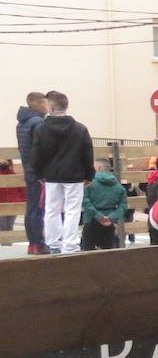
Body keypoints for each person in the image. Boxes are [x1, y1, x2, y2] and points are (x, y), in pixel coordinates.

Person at [28, 90, 94, 254]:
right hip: (74, 175)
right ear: (66, 105)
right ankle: (70, 245)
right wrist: (89, 175)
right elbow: (87, 153)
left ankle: (53, 243)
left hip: (51, 175)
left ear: (50, 106)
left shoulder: (41, 128)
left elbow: (36, 154)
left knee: (51, 209)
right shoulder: (80, 128)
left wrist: (39, 174)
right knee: (72, 210)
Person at [15, 91, 49, 253]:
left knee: (31, 208)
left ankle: (32, 243)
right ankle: (38, 243)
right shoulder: (38, 123)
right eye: (45, 103)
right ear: (36, 104)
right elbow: (41, 150)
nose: (47, 106)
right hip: (39, 172)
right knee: (39, 208)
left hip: (28, 170)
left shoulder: (22, 123)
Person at [79, 159, 127, 251]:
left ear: (98, 168)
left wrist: (98, 216)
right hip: (109, 222)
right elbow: (123, 206)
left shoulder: (89, 184)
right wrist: (112, 217)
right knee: (107, 252)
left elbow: (85, 201)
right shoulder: (119, 187)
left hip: (91, 220)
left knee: (87, 252)